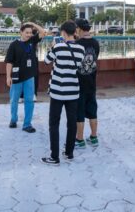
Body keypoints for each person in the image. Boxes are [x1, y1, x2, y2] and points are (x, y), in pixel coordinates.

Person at [42, 21, 84, 165]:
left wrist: (52, 47)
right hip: (73, 91)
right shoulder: (81, 49)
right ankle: (69, 153)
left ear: (64, 33)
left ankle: (54, 156)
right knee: (72, 123)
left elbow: (46, 61)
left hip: (58, 91)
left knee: (54, 124)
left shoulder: (58, 47)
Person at [5, 22, 47, 133]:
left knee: (29, 100)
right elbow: (9, 62)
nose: (29, 35)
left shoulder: (32, 41)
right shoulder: (14, 45)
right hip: (17, 76)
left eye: (30, 33)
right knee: (14, 99)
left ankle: (27, 124)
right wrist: (8, 77)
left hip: (29, 76)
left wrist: (32, 24)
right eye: (26, 32)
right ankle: (13, 119)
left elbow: (43, 32)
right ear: (21, 32)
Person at [74, 19, 100, 149]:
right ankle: (94, 137)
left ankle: (79, 140)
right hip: (92, 82)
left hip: (79, 83)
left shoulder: (77, 44)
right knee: (92, 111)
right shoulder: (95, 43)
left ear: (79, 29)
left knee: (79, 113)